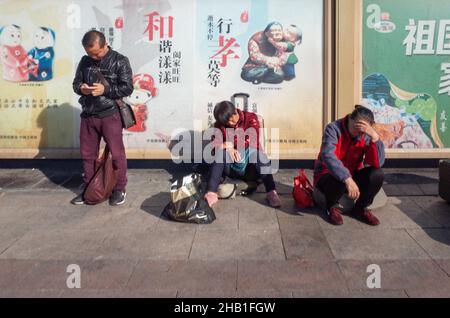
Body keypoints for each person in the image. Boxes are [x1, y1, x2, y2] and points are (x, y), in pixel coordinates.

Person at [71, 30, 133, 206]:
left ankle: (120, 188)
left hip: (110, 114)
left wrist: (105, 90)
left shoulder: (120, 60)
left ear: (105, 45)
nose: (93, 56)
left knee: (117, 154)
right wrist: (81, 88)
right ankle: (89, 188)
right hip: (88, 114)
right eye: (89, 53)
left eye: (96, 53)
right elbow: (75, 84)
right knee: (87, 155)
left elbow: (127, 88)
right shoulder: (85, 61)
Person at [313, 105, 385, 226]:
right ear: (350, 119)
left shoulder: (366, 135)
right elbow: (328, 155)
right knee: (339, 177)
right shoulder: (333, 128)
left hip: (352, 173)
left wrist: (375, 138)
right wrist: (347, 178)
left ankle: (360, 209)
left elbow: (377, 163)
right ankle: (331, 207)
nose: (358, 132)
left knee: (377, 174)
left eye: (362, 130)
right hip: (327, 175)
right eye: (356, 127)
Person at [204, 101, 281, 208]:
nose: (230, 123)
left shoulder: (250, 118)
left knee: (259, 156)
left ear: (235, 111)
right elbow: (213, 147)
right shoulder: (220, 125)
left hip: (250, 168)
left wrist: (231, 145)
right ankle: (211, 193)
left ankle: (271, 192)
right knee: (221, 154)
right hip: (231, 168)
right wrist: (226, 146)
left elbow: (251, 139)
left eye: (231, 119)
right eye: (227, 122)